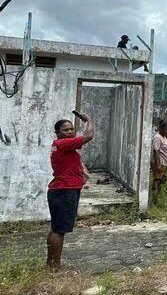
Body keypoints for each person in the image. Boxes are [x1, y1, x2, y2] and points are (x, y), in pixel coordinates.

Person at [47, 114, 94, 270]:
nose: (69, 132)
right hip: (64, 190)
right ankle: (55, 266)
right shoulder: (63, 144)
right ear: (58, 133)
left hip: (60, 189)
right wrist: (89, 121)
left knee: (55, 228)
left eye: (71, 129)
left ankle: (50, 263)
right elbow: (89, 135)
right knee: (59, 230)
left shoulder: (61, 145)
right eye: (65, 130)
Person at [151, 121, 167, 202]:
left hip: (164, 164)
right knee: (157, 180)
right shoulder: (157, 138)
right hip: (160, 163)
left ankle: (156, 198)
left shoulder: (163, 137)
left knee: (161, 180)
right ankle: (154, 200)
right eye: (166, 130)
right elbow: (156, 151)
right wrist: (158, 164)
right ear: (161, 129)